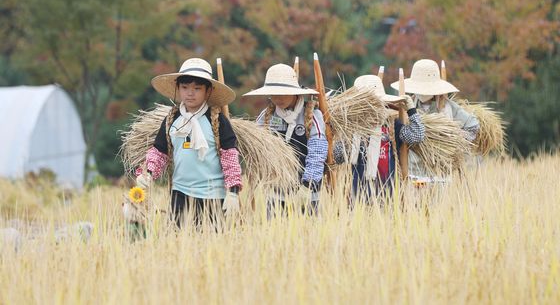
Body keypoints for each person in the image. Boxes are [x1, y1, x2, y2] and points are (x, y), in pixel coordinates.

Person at [135, 58, 243, 228]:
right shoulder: (172, 120)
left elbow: (230, 157)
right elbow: (159, 152)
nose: (190, 93)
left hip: (213, 196)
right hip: (180, 194)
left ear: (208, 91)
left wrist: (233, 192)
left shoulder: (217, 121)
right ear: (178, 89)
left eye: (197, 88)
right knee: (178, 244)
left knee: (211, 247)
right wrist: (147, 173)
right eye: (185, 88)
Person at [243, 64, 327, 217]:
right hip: (276, 192)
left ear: (295, 93)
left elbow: (318, 151)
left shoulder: (312, 115)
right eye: (274, 94)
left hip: (306, 191)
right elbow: (257, 147)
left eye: (283, 93)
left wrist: (308, 185)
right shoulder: (267, 116)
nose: (278, 98)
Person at [334, 74, 425, 202]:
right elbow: (337, 156)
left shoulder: (392, 125)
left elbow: (417, 136)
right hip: (358, 198)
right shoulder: (352, 130)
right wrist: (346, 131)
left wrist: (411, 111)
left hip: (389, 196)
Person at [390, 59, 480, 179]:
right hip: (413, 170)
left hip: (440, 172)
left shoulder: (447, 106)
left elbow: (473, 126)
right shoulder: (406, 105)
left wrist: (454, 139)